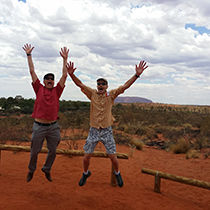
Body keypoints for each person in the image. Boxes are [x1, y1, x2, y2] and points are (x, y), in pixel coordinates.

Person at [66, 60, 148, 187]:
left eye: (103, 84)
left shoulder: (111, 95)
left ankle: (117, 173)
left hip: (106, 130)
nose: (100, 85)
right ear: (97, 85)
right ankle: (85, 173)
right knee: (86, 157)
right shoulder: (92, 93)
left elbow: (125, 86)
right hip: (93, 130)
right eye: (99, 83)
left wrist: (136, 75)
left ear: (107, 86)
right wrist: (71, 74)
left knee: (112, 157)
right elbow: (80, 84)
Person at [22, 43, 69, 182]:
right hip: (39, 126)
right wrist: (29, 55)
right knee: (34, 151)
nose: (50, 81)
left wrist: (65, 59)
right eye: (47, 79)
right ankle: (31, 170)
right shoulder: (39, 88)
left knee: (53, 151)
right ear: (43, 81)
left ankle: (47, 169)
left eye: (51, 79)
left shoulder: (57, 91)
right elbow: (32, 71)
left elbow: (65, 75)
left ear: (54, 82)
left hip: (53, 126)